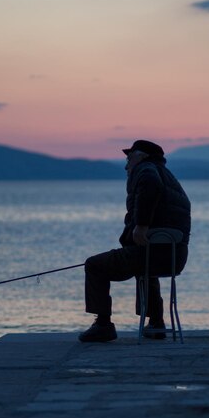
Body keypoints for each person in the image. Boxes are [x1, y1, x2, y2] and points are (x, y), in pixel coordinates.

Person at [78, 139, 191, 342]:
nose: (126, 164)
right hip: (174, 257)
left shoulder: (145, 169)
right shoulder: (169, 177)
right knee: (146, 271)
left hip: (149, 254)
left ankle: (103, 325)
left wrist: (141, 226)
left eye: (129, 157)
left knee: (94, 265)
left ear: (142, 156)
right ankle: (156, 323)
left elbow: (150, 186)